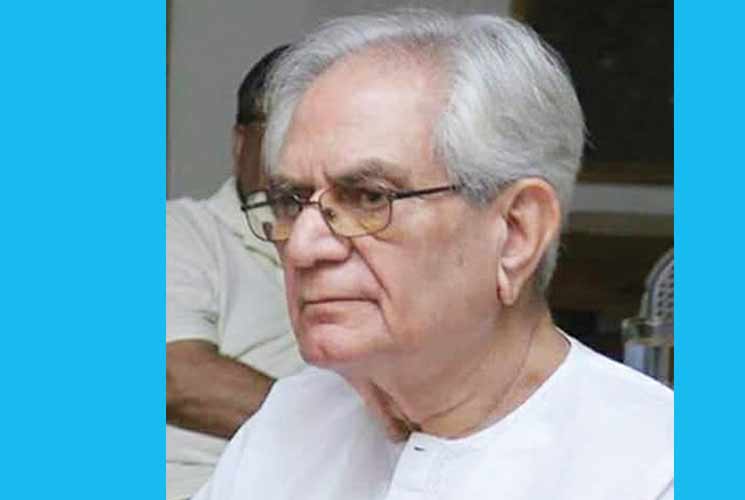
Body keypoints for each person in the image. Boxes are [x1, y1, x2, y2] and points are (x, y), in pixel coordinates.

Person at [196, 10, 673, 500]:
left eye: (370, 197)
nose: (301, 247)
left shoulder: (653, 469)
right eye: (291, 202)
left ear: (516, 233)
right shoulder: (294, 417)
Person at [166, 45, 305, 500]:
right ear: (241, 143)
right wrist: (341, 430)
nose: (304, 152)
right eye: (284, 131)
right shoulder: (181, 231)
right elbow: (176, 377)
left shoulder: (361, 242)